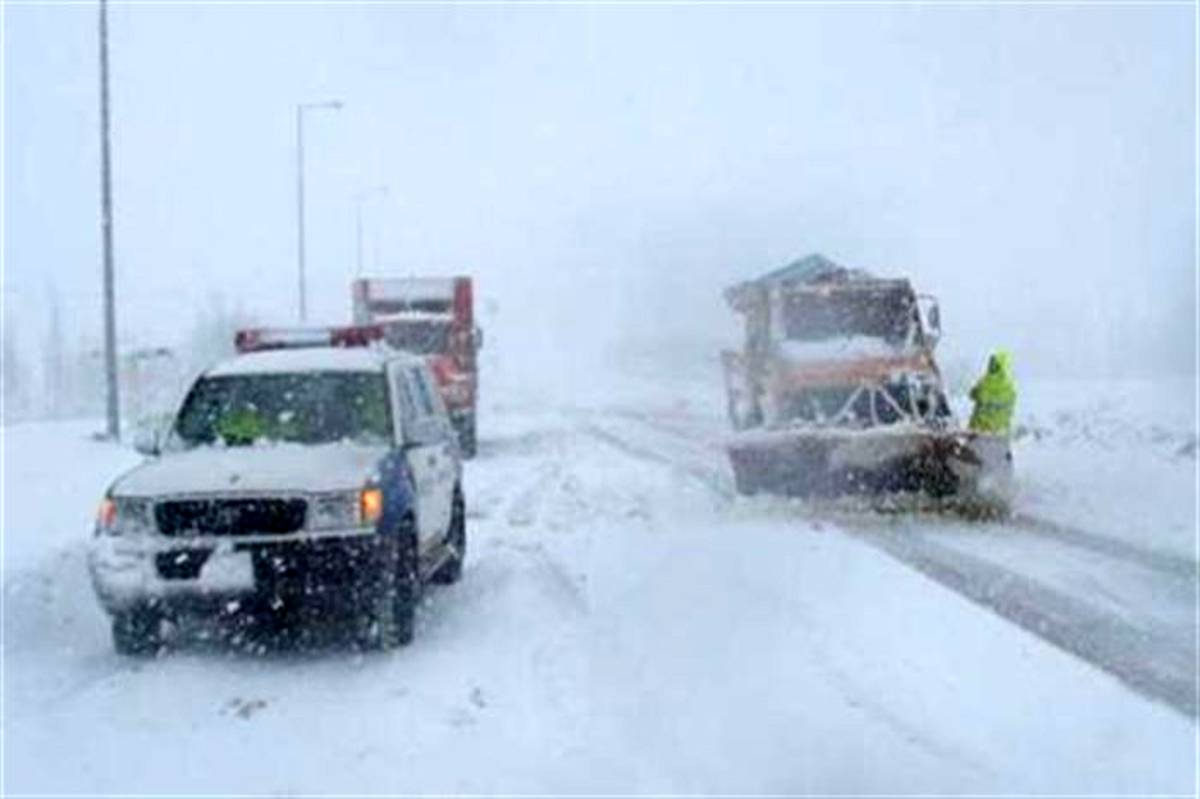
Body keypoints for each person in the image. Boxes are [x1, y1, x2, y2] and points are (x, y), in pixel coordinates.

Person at [969, 350, 1017, 435]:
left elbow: (972, 394)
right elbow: (1011, 407)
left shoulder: (984, 382)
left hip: (978, 431)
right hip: (1000, 433)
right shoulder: (1010, 387)